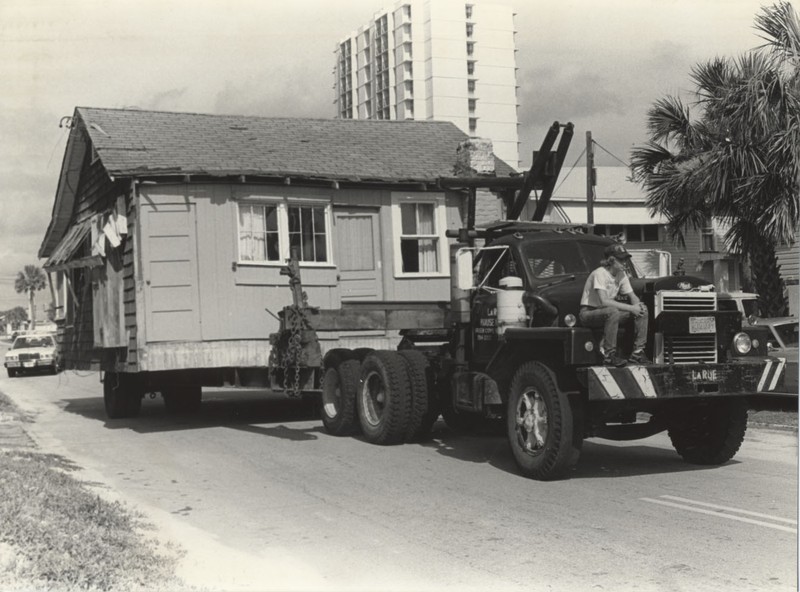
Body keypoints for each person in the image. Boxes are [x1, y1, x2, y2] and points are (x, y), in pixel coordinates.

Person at [579, 243, 649, 367]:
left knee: (643, 309)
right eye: (621, 259)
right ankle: (609, 355)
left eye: (626, 259)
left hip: (607, 313)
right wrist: (631, 308)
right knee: (613, 311)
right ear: (611, 260)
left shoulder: (621, 275)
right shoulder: (599, 274)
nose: (625, 262)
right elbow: (604, 301)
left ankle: (638, 352)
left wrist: (638, 306)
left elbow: (632, 296)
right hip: (589, 313)